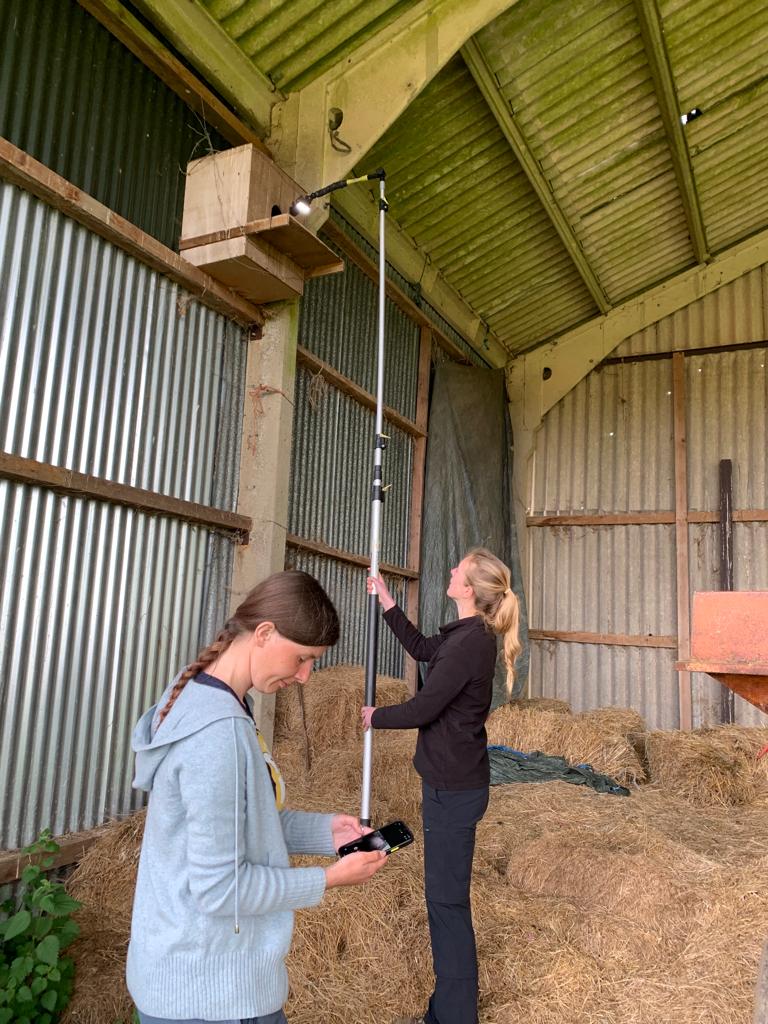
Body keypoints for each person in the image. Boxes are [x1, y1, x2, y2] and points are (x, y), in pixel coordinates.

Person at [127, 570, 387, 1024]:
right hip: (212, 994)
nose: (306, 677)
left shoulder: (205, 697)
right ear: (264, 633)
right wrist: (327, 879)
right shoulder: (218, 734)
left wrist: (324, 831)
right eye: (302, 658)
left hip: (194, 977)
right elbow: (221, 889)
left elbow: (241, 823)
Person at [362, 548, 521, 1024]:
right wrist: (389, 603)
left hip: (454, 790)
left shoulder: (473, 642)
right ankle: (446, 1010)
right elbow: (424, 651)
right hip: (448, 785)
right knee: (443, 899)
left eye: (458, 570)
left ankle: (453, 1016)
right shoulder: (463, 638)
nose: (450, 572)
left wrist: (375, 717)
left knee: (447, 903)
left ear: (468, 589)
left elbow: (423, 708)